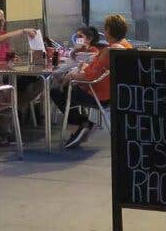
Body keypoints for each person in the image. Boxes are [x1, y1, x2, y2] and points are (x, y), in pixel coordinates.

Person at [52, 14, 132, 149]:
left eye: (105, 29)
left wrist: (71, 76)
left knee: (56, 92)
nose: (104, 32)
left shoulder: (109, 50)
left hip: (98, 95)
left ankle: (85, 123)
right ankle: (84, 124)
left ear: (109, 30)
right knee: (65, 89)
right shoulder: (125, 46)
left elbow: (90, 76)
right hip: (114, 94)